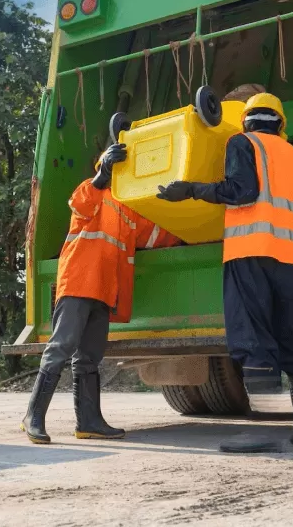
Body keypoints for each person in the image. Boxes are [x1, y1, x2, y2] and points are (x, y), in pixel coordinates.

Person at [157, 92, 293, 448]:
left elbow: (242, 191)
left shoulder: (242, 142)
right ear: (281, 124)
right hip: (290, 256)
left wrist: (190, 190)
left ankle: (260, 432)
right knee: (291, 332)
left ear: (246, 120)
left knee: (252, 335)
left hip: (249, 251)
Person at [22, 142, 180, 445]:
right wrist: (101, 175)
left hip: (104, 292)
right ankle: (34, 416)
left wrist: (180, 207)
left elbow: (160, 235)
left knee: (90, 357)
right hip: (80, 284)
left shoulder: (129, 211)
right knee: (62, 347)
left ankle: (89, 422)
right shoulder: (92, 193)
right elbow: (80, 202)